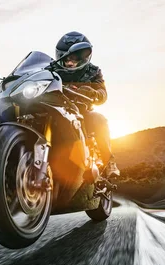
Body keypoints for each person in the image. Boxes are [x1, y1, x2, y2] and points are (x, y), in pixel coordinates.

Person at [54, 31, 120, 177]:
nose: (69, 62)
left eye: (74, 59)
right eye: (65, 58)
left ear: (83, 58)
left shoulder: (93, 71)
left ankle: (109, 162)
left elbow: (102, 94)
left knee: (99, 120)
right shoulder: (51, 69)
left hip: (81, 112)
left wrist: (92, 92)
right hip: (53, 108)